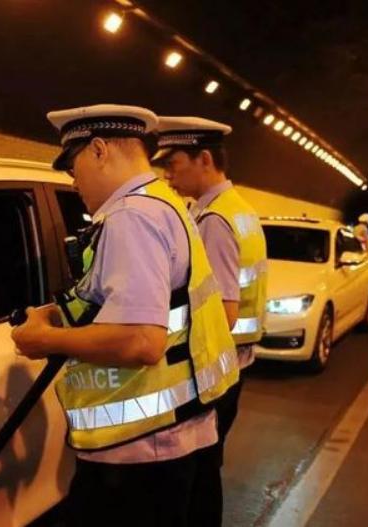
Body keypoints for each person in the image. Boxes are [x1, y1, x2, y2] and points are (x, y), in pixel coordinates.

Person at [11, 105, 239, 527]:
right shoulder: (163, 203)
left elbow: (141, 341)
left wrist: (44, 340)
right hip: (180, 432)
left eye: (73, 167)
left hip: (141, 453)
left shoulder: (131, 216)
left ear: (99, 150)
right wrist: (59, 313)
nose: (73, 181)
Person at [153, 116, 268, 509]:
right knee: (207, 467)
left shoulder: (214, 221)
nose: (167, 175)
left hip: (214, 369)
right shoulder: (240, 210)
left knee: (199, 472)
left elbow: (223, 313)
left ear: (204, 159)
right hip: (235, 363)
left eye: (173, 164)